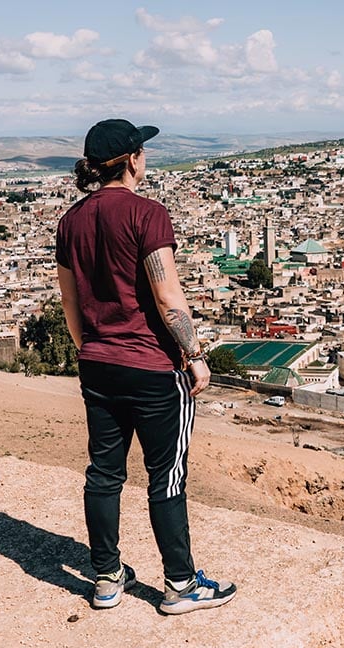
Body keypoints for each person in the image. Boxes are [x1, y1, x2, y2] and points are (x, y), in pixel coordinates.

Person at [55, 118, 236, 614]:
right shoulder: (147, 214)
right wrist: (195, 356)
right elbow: (166, 293)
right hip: (153, 366)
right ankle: (179, 584)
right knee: (167, 476)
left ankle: (107, 579)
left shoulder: (70, 221)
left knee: (104, 473)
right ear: (134, 159)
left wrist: (92, 350)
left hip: (97, 364)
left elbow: (70, 303)